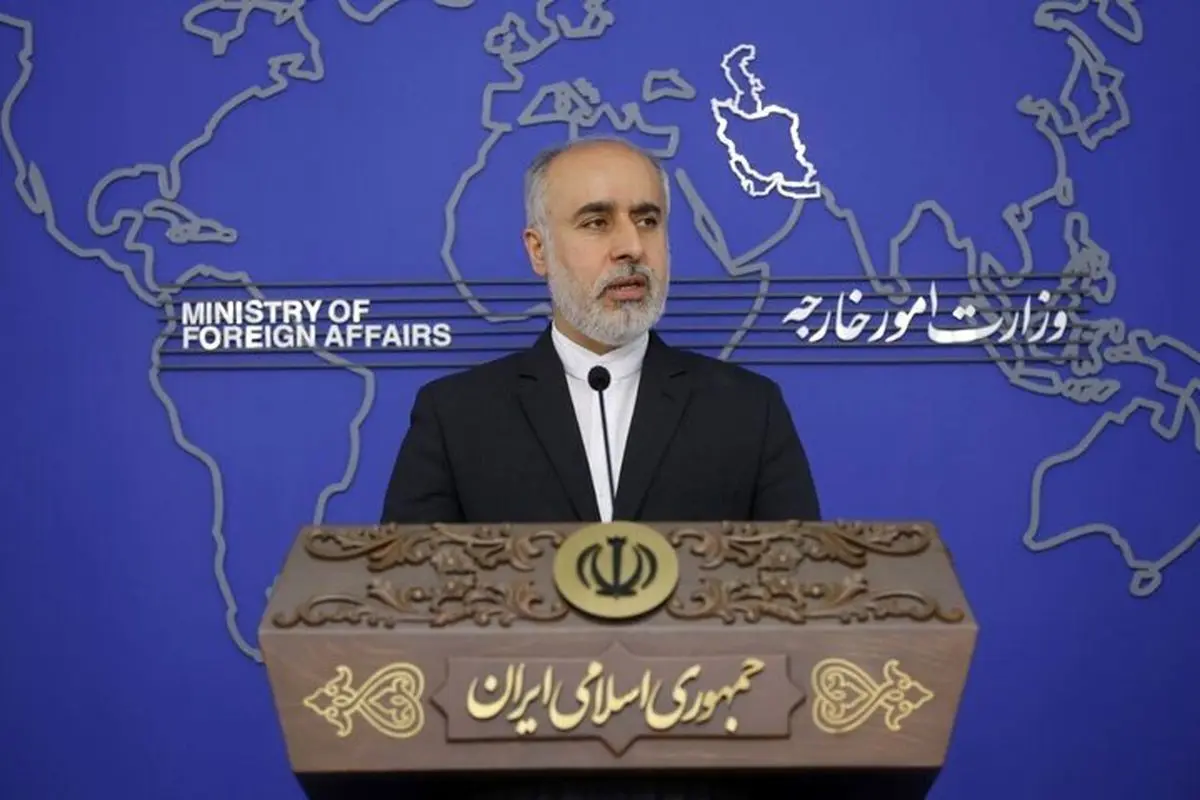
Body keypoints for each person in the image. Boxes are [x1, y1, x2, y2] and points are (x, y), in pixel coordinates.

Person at [381, 135, 820, 527]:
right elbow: (405, 582)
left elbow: (801, 579)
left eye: (647, 221)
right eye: (597, 222)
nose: (632, 247)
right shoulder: (455, 417)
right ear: (539, 251)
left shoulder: (749, 410)